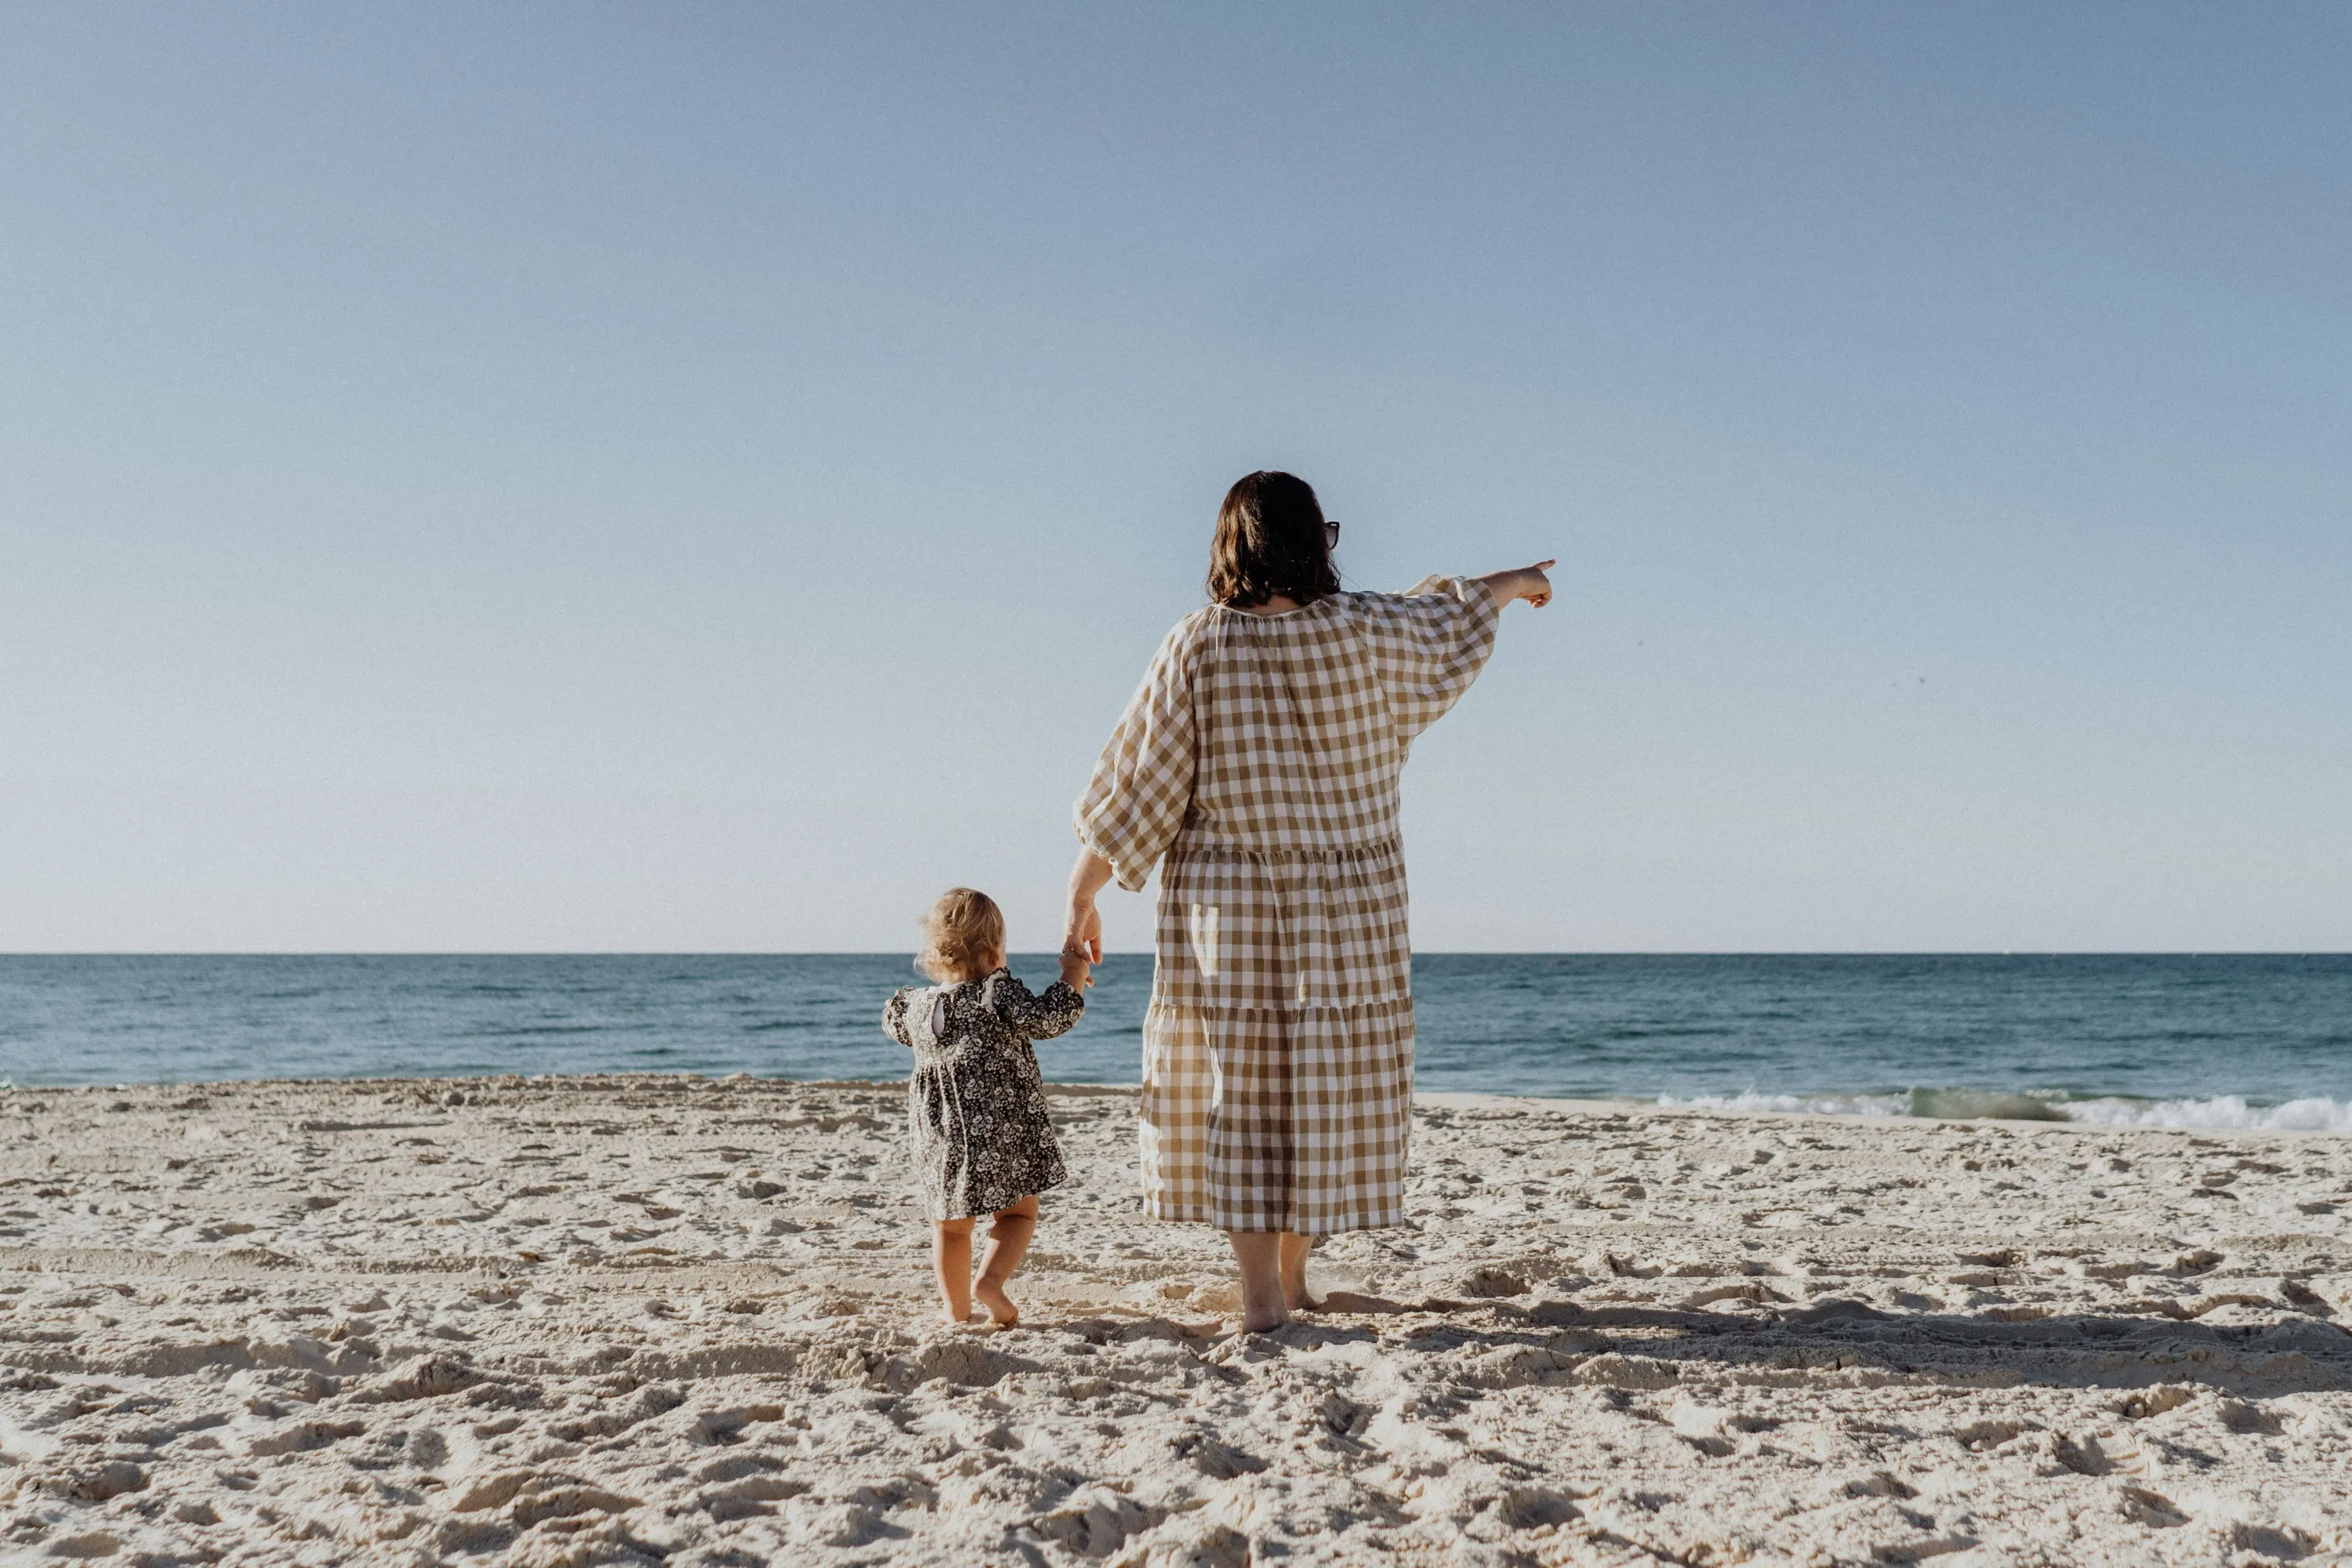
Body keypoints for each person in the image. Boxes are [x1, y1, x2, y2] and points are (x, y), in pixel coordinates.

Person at [1065, 471, 1552, 1332]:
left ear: (1230, 549)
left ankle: (1260, 1292)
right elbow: (1452, 614)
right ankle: (1292, 1275)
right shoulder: (1363, 628)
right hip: (1351, 904)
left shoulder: (1197, 645)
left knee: (1240, 1086)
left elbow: (1139, 788)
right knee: (1327, 1082)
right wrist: (1513, 584)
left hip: (1229, 903)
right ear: (1315, 541)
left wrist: (1082, 900)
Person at [883, 887, 1091, 1327]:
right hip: (1000, 1128)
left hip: (938, 1134)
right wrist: (1073, 973)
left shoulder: (915, 1006)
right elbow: (1051, 1018)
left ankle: (955, 1310)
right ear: (994, 948)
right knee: (1017, 1211)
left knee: (950, 1224)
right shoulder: (996, 995)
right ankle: (990, 1283)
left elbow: (895, 1027)